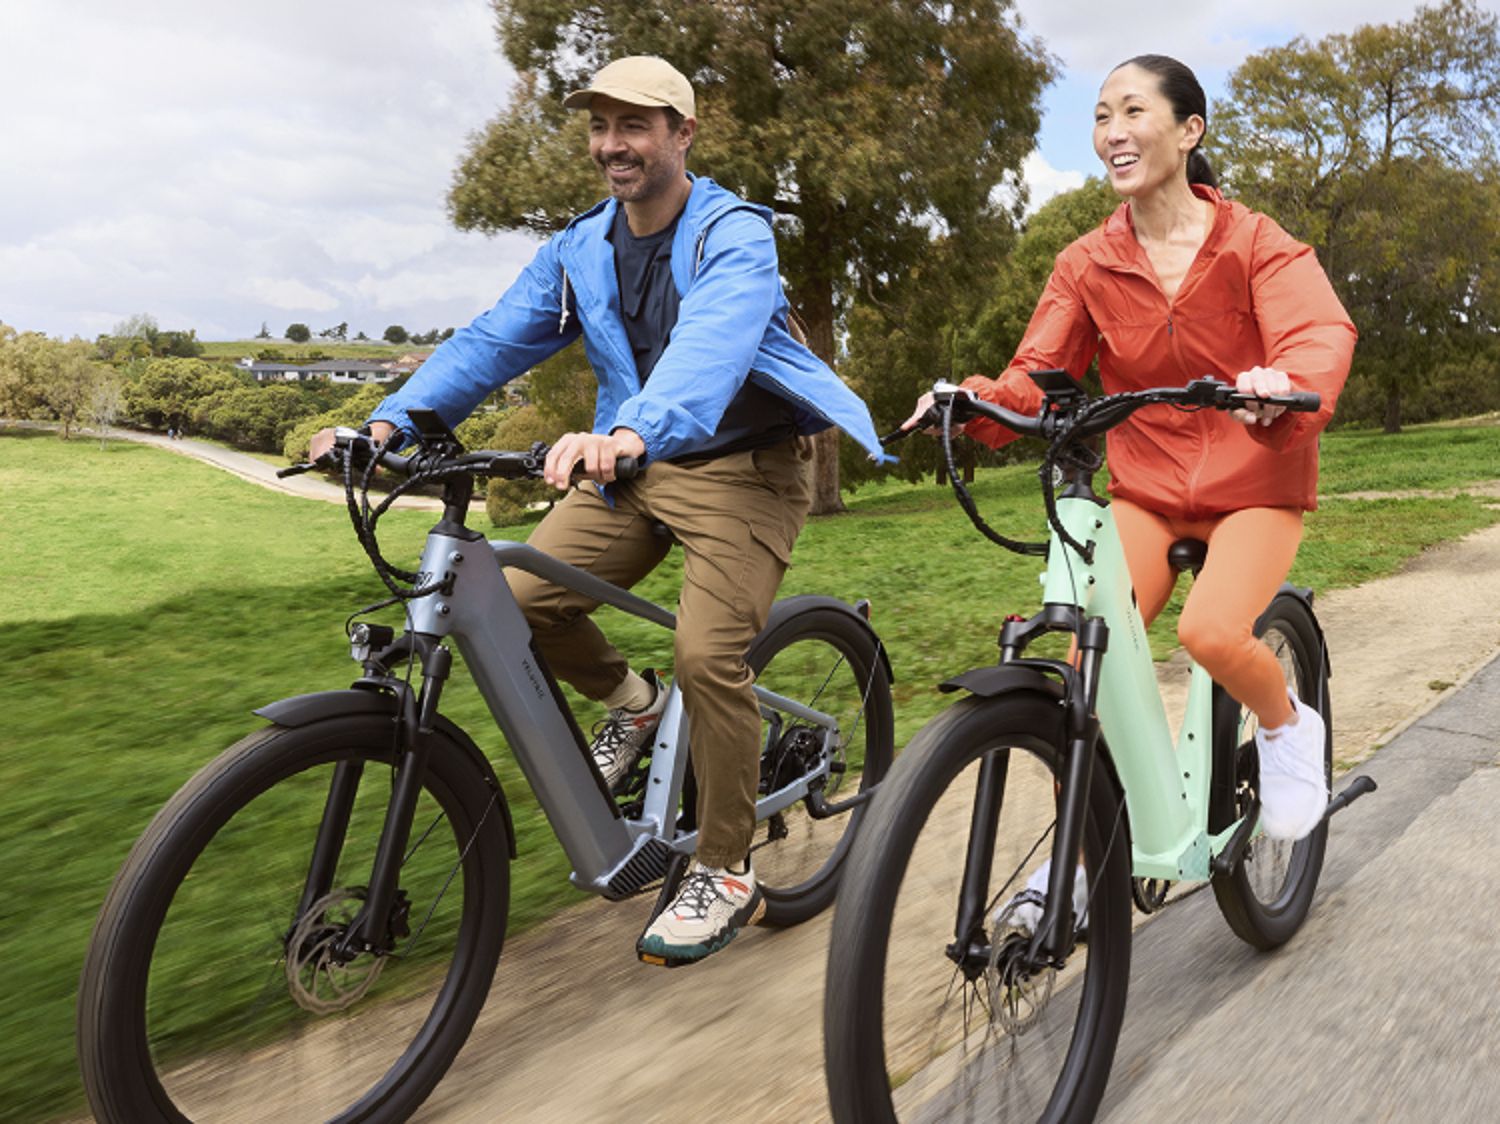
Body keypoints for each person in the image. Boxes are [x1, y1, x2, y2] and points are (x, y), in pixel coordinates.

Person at [312, 56, 886, 967]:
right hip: (634, 465)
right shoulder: (580, 248)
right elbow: (497, 337)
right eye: (599, 127)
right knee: (515, 600)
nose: (611, 145)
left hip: (743, 467)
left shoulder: (734, 234)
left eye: (635, 126)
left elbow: (710, 345)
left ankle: (726, 868)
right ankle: (636, 703)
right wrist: (389, 423)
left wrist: (629, 430)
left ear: (682, 134)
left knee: (708, 652)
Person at [905, 54, 1356, 920]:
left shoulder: (1255, 242)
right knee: (1089, 663)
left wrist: (1281, 383)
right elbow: (1041, 376)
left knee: (1214, 632)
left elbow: (1316, 331)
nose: (1113, 131)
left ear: (1189, 130)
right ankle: (1085, 855)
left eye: (1133, 111)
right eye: (1102, 115)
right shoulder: (1087, 261)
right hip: (1148, 484)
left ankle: (1290, 727)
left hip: (1256, 476)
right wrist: (973, 403)